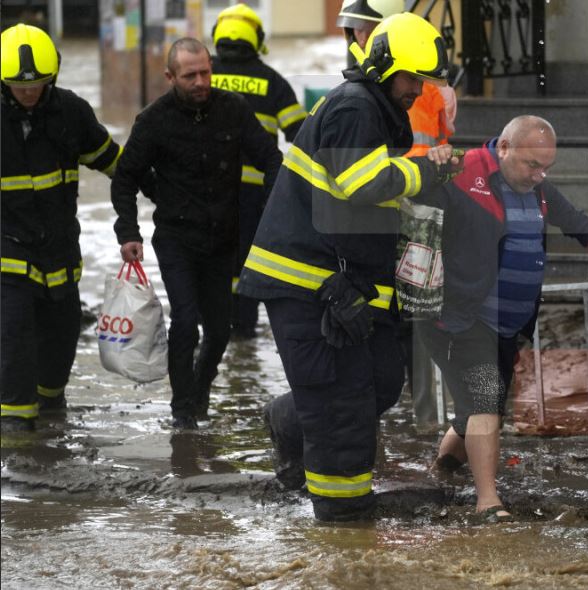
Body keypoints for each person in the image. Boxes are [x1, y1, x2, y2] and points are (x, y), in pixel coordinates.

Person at [238, 13, 459, 521]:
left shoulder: (377, 110)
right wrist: (427, 168)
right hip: (308, 283)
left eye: (424, 80)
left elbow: (363, 210)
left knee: (380, 382)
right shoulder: (355, 106)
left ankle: (290, 419)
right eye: (411, 78)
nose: (417, 90)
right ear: (383, 68)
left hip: (347, 281)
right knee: (341, 406)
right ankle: (343, 524)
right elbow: (362, 183)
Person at [421, 115, 588, 522]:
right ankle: (488, 504)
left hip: (507, 323)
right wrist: (428, 162)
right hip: (461, 318)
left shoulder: (534, 185)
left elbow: (555, 202)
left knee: (481, 406)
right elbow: (411, 197)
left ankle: (442, 471)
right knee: (485, 400)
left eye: (545, 167)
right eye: (532, 165)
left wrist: (587, 233)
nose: (539, 176)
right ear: (503, 148)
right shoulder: (462, 171)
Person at [111, 38, 282, 430]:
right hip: (176, 239)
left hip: (223, 239)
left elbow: (272, 160)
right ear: (171, 77)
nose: (201, 81)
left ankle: (201, 388)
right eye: (190, 75)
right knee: (185, 320)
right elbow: (125, 178)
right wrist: (128, 232)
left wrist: (271, 212)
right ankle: (182, 410)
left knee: (221, 332)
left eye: (206, 72)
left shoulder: (233, 110)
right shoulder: (154, 121)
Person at [336, 0, 458, 427]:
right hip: (382, 205)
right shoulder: (359, 85)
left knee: (420, 314)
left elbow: (439, 137)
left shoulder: (427, 80)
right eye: (355, 30)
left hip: (418, 205)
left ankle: (424, 420)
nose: (358, 38)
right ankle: (382, 414)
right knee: (378, 312)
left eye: (365, 29)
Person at [1, 24, 125, 432]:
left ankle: (52, 431)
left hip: (59, 254)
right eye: (20, 87)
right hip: (7, 256)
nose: (30, 92)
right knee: (14, 349)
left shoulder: (70, 112)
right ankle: (17, 468)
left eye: (38, 84)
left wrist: (172, 194)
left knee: (60, 346)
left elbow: (115, 163)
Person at [210, 3, 307, 340]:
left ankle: (211, 326)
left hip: (203, 194)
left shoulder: (200, 75)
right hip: (252, 195)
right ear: (257, 37)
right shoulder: (272, 82)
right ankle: (244, 330)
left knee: (208, 259)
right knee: (246, 260)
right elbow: (301, 134)